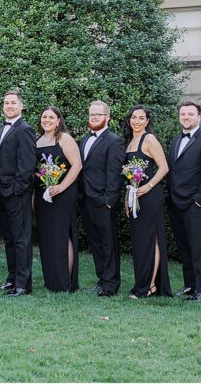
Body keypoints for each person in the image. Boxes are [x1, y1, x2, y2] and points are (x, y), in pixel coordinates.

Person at [167, 100, 201, 302]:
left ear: (199, 117)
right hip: (176, 204)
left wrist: (198, 201)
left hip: (194, 205)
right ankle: (190, 286)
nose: (186, 117)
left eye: (190, 114)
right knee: (184, 247)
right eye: (183, 114)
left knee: (198, 248)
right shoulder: (175, 141)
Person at [121, 105, 172, 298]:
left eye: (141, 118)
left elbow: (164, 167)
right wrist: (129, 197)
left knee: (152, 239)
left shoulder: (149, 139)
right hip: (135, 196)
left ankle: (149, 286)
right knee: (141, 241)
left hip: (150, 196)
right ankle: (143, 283)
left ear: (147, 121)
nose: (136, 121)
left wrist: (148, 186)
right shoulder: (130, 141)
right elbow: (130, 176)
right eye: (134, 117)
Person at [78, 100, 125, 297]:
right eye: (91, 114)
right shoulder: (84, 139)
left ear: (107, 117)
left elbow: (115, 174)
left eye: (98, 115)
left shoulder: (114, 141)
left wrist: (108, 200)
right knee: (95, 242)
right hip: (86, 199)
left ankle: (111, 284)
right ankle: (101, 279)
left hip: (103, 201)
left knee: (108, 243)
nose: (94, 118)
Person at [0, 90, 37, 296]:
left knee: (21, 238)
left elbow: (27, 165)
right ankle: (11, 278)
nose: (9, 106)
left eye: (13, 103)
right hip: (0, 192)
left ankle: (23, 284)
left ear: (21, 106)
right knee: (9, 237)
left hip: (16, 193)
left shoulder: (25, 129)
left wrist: (16, 190)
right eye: (6, 102)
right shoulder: (0, 128)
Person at [33, 106, 82, 292]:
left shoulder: (64, 138)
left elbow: (77, 165)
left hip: (63, 194)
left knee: (62, 235)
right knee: (47, 236)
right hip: (43, 194)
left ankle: (65, 281)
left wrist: (61, 186)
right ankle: (52, 280)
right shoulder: (37, 140)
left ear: (58, 120)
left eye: (51, 117)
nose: (47, 120)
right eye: (44, 116)